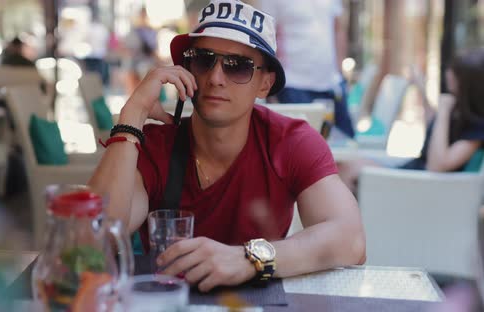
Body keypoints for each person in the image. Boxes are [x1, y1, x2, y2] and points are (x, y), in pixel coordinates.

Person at [88, 0, 365, 292]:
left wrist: (247, 259)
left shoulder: (290, 142)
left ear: (265, 84)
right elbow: (95, 239)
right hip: (168, 300)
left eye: (238, 66)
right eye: (203, 60)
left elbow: (351, 240)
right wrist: (132, 116)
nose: (215, 78)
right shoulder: (155, 145)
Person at [339, 48, 484, 191]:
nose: (448, 73)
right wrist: (422, 89)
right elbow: (433, 129)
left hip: (421, 186)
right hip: (414, 175)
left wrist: (444, 112)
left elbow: (436, 166)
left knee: (345, 169)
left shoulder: (476, 127)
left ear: (467, 82)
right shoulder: (458, 109)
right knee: (341, 166)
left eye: (455, 72)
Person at [260, 0, 356, 138]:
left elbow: (338, 28)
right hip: (293, 84)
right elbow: (267, 35)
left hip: (331, 83)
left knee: (348, 144)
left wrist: (339, 71)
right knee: (301, 147)